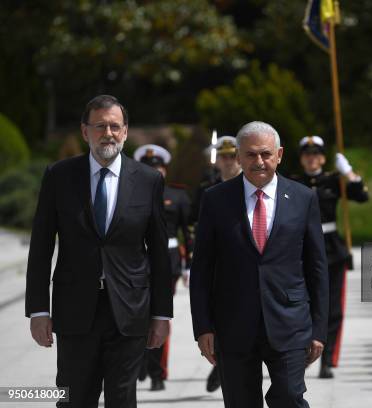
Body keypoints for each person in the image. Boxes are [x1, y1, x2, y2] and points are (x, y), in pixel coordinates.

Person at [25, 95, 173, 407]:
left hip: (130, 311)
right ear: (85, 131)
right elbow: (40, 247)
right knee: (73, 398)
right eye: (100, 126)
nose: (108, 133)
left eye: (115, 126)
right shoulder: (59, 177)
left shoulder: (148, 181)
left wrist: (161, 313)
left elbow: (159, 253)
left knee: (122, 399)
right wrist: (39, 310)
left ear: (126, 131)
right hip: (75, 310)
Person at [189, 121, 329, 408]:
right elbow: (202, 268)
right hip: (233, 324)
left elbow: (316, 267)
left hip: (289, 322)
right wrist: (203, 327)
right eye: (251, 155)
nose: (259, 161)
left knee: (290, 396)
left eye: (266, 154)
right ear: (238, 157)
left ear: (279, 155)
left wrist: (318, 329)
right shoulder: (215, 200)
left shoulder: (303, 198)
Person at [292, 136, 368, 378]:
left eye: (316, 154)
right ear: (302, 158)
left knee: (333, 307)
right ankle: (303, 353)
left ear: (323, 158)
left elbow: (361, 196)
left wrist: (350, 174)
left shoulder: (334, 181)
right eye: (307, 154)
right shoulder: (293, 182)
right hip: (302, 249)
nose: (312, 159)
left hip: (331, 249)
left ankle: (328, 359)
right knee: (303, 305)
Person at [134, 144, 193, 391]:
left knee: (159, 316)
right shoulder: (131, 194)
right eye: (148, 168)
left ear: (165, 169)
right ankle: (139, 364)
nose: (154, 172)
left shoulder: (177, 196)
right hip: (136, 262)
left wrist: (189, 265)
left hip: (167, 262)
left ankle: (158, 372)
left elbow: (187, 233)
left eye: (158, 167)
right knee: (136, 316)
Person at [189, 135, 242, 393]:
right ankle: (221, 360)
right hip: (214, 258)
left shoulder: (250, 184)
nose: (229, 162)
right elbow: (193, 224)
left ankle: (224, 363)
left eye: (233, 156)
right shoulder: (206, 188)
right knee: (216, 313)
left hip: (240, 259)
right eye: (224, 157)